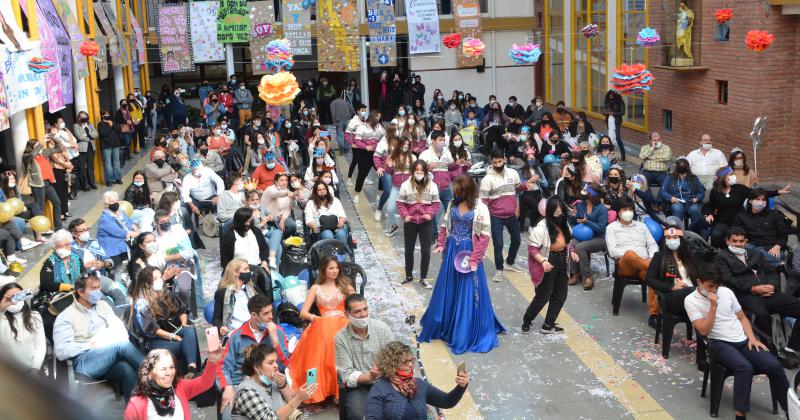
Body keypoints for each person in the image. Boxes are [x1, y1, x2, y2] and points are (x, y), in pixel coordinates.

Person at [684, 263, 789, 420]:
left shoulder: (726, 292)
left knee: (774, 365)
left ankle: (790, 410)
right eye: (710, 286)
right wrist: (713, 307)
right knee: (744, 367)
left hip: (742, 340)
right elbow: (704, 331)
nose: (714, 290)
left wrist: (752, 338)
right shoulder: (691, 300)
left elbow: (741, 317)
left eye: (717, 286)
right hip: (718, 343)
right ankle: (740, 416)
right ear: (699, 282)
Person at [420, 175, 505, 352]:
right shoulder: (452, 203)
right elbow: (445, 225)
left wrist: (475, 259)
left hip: (469, 252)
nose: (455, 193)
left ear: (468, 191)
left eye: (459, 191)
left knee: (467, 290)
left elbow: (484, 237)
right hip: (452, 251)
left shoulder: (481, 208)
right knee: (447, 288)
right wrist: (442, 243)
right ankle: (444, 322)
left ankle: (463, 330)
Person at [715, 226, 800, 366]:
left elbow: (772, 272)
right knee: (761, 314)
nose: (737, 244)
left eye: (741, 241)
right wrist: (754, 288)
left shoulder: (755, 253)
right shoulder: (721, 257)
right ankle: (770, 349)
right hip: (746, 295)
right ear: (727, 241)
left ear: (746, 241)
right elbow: (728, 279)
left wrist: (772, 286)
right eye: (734, 241)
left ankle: (791, 348)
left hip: (769, 293)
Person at [53, 274, 144, 400]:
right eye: (93, 288)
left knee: (126, 368)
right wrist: (89, 344)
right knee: (122, 346)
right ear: (80, 292)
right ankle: (155, 373)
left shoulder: (103, 305)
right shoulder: (66, 316)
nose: (98, 291)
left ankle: (133, 412)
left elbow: (120, 330)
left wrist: (107, 341)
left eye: (99, 287)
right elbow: (61, 351)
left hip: (107, 354)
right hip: (84, 361)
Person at [290, 256, 355, 403]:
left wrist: (351, 316)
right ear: (324, 270)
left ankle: (340, 389)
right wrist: (315, 318)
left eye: (337, 267)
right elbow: (303, 313)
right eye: (331, 268)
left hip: (343, 322)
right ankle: (321, 390)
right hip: (323, 323)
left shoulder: (345, 285)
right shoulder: (315, 288)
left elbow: (358, 303)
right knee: (321, 350)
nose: (335, 271)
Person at [219, 295, 291, 414]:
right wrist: (227, 387)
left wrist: (275, 341)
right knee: (228, 408)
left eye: (271, 312)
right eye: (266, 313)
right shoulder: (237, 336)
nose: (271, 317)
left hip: (269, 382)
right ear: (254, 315)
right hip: (241, 383)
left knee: (281, 412)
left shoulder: (278, 332)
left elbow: (285, 366)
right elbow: (223, 366)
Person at [365, 341, 468, 419]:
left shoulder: (418, 384)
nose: (410, 365)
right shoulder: (379, 389)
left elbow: (447, 401)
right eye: (405, 362)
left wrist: (461, 387)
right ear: (391, 365)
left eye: (411, 360)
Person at [523, 197, 579, 334]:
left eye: (561, 210)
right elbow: (532, 249)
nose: (559, 213)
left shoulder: (565, 225)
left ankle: (548, 324)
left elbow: (568, 243)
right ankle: (527, 319)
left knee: (561, 294)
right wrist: (543, 261)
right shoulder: (541, 228)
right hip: (548, 261)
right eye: (556, 210)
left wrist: (572, 252)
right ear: (549, 211)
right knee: (543, 295)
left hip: (562, 260)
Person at [334, 294, 394, 420]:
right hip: (359, 386)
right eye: (357, 311)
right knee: (358, 415)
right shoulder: (340, 338)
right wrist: (369, 376)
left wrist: (384, 373)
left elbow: (395, 360)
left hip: (385, 381)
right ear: (347, 315)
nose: (363, 314)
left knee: (394, 410)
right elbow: (346, 374)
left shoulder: (382, 329)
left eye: (365, 309)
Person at [130, 266, 199, 375]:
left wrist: (184, 324)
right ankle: (182, 376)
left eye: (159, 277)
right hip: (154, 340)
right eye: (155, 278)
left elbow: (182, 310)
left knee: (189, 330)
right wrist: (173, 337)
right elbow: (152, 329)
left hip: (172, 330)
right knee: (183, 344)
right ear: (147, 282)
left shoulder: (164, 292)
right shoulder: (141, 303)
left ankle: (192, 368)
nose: (159, 280)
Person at [124, 347, 221, 420]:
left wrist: (212, 361)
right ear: (149, 373)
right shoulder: (136, 405)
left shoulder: (180, 387)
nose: (169, 373)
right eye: (163, 369)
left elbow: (205, 383)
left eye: (171, 367)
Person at [605, 197, 660, 326]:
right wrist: (634, 256)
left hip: (644, 265)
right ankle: (654, 268)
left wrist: (651, 257)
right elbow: (612, 251)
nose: (628, 212)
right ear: (618, 212)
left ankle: (654, 315)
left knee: (652, 277)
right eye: (625, 209)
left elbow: (652, 245)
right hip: (626, 265)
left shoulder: (642, 226)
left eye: (631, 209)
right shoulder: (611, 228)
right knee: (630, 254)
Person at [232, 344, 316, 420]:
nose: (276, 366)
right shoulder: (246, 391)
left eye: (276, 361)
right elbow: (269, 418)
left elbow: (291, 404)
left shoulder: (272, 382)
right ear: (257, 368)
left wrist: (283, 385)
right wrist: (298, 399)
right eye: (270, 363)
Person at [480, 149, 525, 282]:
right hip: (495, 216)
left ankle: (510, 262)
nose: (498, 164)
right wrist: (485, 218)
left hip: (511, 214)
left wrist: (526, 185)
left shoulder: (513, 173)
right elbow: (483, 202)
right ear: (491, 162)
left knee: (517, 240)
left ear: (504, 160)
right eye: (495, 162)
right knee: (498, 244)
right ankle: (499, 269)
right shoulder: (487, 179)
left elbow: (517, 189)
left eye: (500, 161)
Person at [397, 160, 440, 288]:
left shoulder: (432, 186)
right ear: (413, 171)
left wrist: (430, 214)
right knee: (408, 250)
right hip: (410, 222)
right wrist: (405, 215)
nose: (419, 172)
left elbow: (436, 203)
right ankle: (408, 276)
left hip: (425, 223)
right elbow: (400, 203)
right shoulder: (405, 185)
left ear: (426, 172)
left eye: (422, 170)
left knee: (426, 251)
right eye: (417, 170)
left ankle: (423, 278)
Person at [69, 218, 128, 306]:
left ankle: (121, 316)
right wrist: (84, 267)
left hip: (98, 277)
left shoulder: (93, 243)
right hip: (83, 281)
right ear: (74, 233)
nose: (86, 232)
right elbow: (69, 271)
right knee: (104, 302)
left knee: (119, 294)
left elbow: (109, 261)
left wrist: (102, 264)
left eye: (87, 229)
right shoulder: (70, 249)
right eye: (83, 230)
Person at [644, 226, 699, 318]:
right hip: (672, 297)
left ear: (680, 239)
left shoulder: (689, 256)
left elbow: (699, 275)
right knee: (694, 292)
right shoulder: (659, 257)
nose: (672, 240)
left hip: (693, 294)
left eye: (675, 237)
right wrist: (671, 287)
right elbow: (649, 279)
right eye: (668, 238)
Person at [734, 188, 789, 269]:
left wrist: (778, 246)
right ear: (750, 201)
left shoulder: (774, 215)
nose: (761, 202)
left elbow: (783, 234)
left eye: (763, 200)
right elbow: (736, 235)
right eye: (758, 199)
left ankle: (765, 261)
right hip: (751, 246)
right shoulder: (741, 217)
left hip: (770, 247)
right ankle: (779, 263)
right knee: (747, 249)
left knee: (780, 255)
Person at [568, 182, 608, 290]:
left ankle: (587, 277)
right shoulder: (581, 205)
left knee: (580, 247)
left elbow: (601, 228)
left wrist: (587, 222)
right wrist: (573, 216)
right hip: (582, 236)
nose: (585, 194)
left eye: (588, 193)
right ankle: (574, 273)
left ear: (593, 195)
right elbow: (576, 223)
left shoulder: (602, 209)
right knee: (573, 244)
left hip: (598, 238)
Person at [213, 258, 267, 338]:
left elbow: (265, 306)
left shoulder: (253, 288)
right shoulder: (222, 293)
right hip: (234, 334)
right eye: (246, 269)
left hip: (255, 331)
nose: (249, 271)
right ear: (235, 273)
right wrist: (220, 327)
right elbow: (216, 318)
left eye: (248, 268)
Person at [0, 282, 45, 374]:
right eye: (11, 297)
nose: (15, 301)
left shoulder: (34, 316)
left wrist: (34, 370)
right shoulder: (2, 318)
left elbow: (40, 346)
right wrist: (1, 307)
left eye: (18, 296)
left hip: (29, 372)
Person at [22, 140, 63, 230]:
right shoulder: (27, 157)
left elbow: (58, 149)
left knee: (57, 202)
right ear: (31, 147)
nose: (40, 147)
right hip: (37, 185)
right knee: (39, 207)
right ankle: (41, 229)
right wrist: (41, 142)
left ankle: (58, 227)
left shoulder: (43, 153)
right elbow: (32, 154)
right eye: (36, 146)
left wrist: (55, 139)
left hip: (48, 183)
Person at [220, 207, 271, 271]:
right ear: (241, 221)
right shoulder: (229, 236)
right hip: (238, 271)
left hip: (258, 268)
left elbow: (264, 249)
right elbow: (225, 260)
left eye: (251, 219)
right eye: (248, 220)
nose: (251, 221)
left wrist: (264, 262)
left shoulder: (256, 231)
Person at [98, 190, 139, 267]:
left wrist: (137, 229)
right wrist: (134, 233)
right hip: (112, 248)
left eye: (117, 200)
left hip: (125, 242)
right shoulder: (104, 219)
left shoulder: (121, 212)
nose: (116, 203)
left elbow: (130, 222)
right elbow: (119, 232)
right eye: (112, 201)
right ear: (106, 204)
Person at [352, 111, 385, 204]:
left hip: (377, 154)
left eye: (379, 117)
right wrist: (365, 146)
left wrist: (378, 146)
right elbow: (357, 140)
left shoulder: (380, 127)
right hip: (363, 154)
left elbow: (384, 139)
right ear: (371, 117)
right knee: (362, 174)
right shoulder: (362, 127)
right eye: (376, 116)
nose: (378, 119)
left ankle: (379, 194)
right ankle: (356, 195)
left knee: (382, 173)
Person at [660, 157, 704, 226]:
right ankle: (678, 230)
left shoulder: (694, 178)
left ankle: (695, 230)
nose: (682, 167)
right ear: (677, 167)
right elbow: (663, 191)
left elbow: (701, 192)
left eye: (684, 166)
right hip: (677, 201)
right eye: (680, 165)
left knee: (695, 209)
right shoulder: (670, 177)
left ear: (687, 167)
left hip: (691, 202)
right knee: (677, 208)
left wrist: (697, 198)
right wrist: (671, 198)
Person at [639, 132, 671, 207]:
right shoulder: (645, 147)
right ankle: (651, 202)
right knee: (640, 182)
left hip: (662, 172)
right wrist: (652, 149)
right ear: (650, 140)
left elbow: (666, 157)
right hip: (647, 171)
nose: (657, 142)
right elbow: (642, 156)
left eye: (658, 140)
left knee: (667, 183)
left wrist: (650, 158)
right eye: (654, 140)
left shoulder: (666, 148)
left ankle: (658, 203)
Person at [72, 111, 98, 191]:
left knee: (90, 167)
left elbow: (96, 134)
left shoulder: (90, 125)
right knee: (82, 167)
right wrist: (90, 137)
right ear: (79, 118)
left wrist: (87, 135)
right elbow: (79, 136)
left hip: (91, 148)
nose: (84, 118)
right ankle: (85, 185)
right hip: (82, 149)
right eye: (82, 116)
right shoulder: (75, 126)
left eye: (85, 116)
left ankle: (92, 183)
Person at [604, 90, 625, 160]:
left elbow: (622, 112)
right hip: (609, 121)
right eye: (609, 96)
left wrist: (614, 113)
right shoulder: (607, 102)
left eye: (612, 96)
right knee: (610, 136)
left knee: (617, 137)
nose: (611, 97)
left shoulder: (620, 102)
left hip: (616, 121)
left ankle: (623, 153)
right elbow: (604, 111)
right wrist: (607, 112)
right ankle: (611, 153)